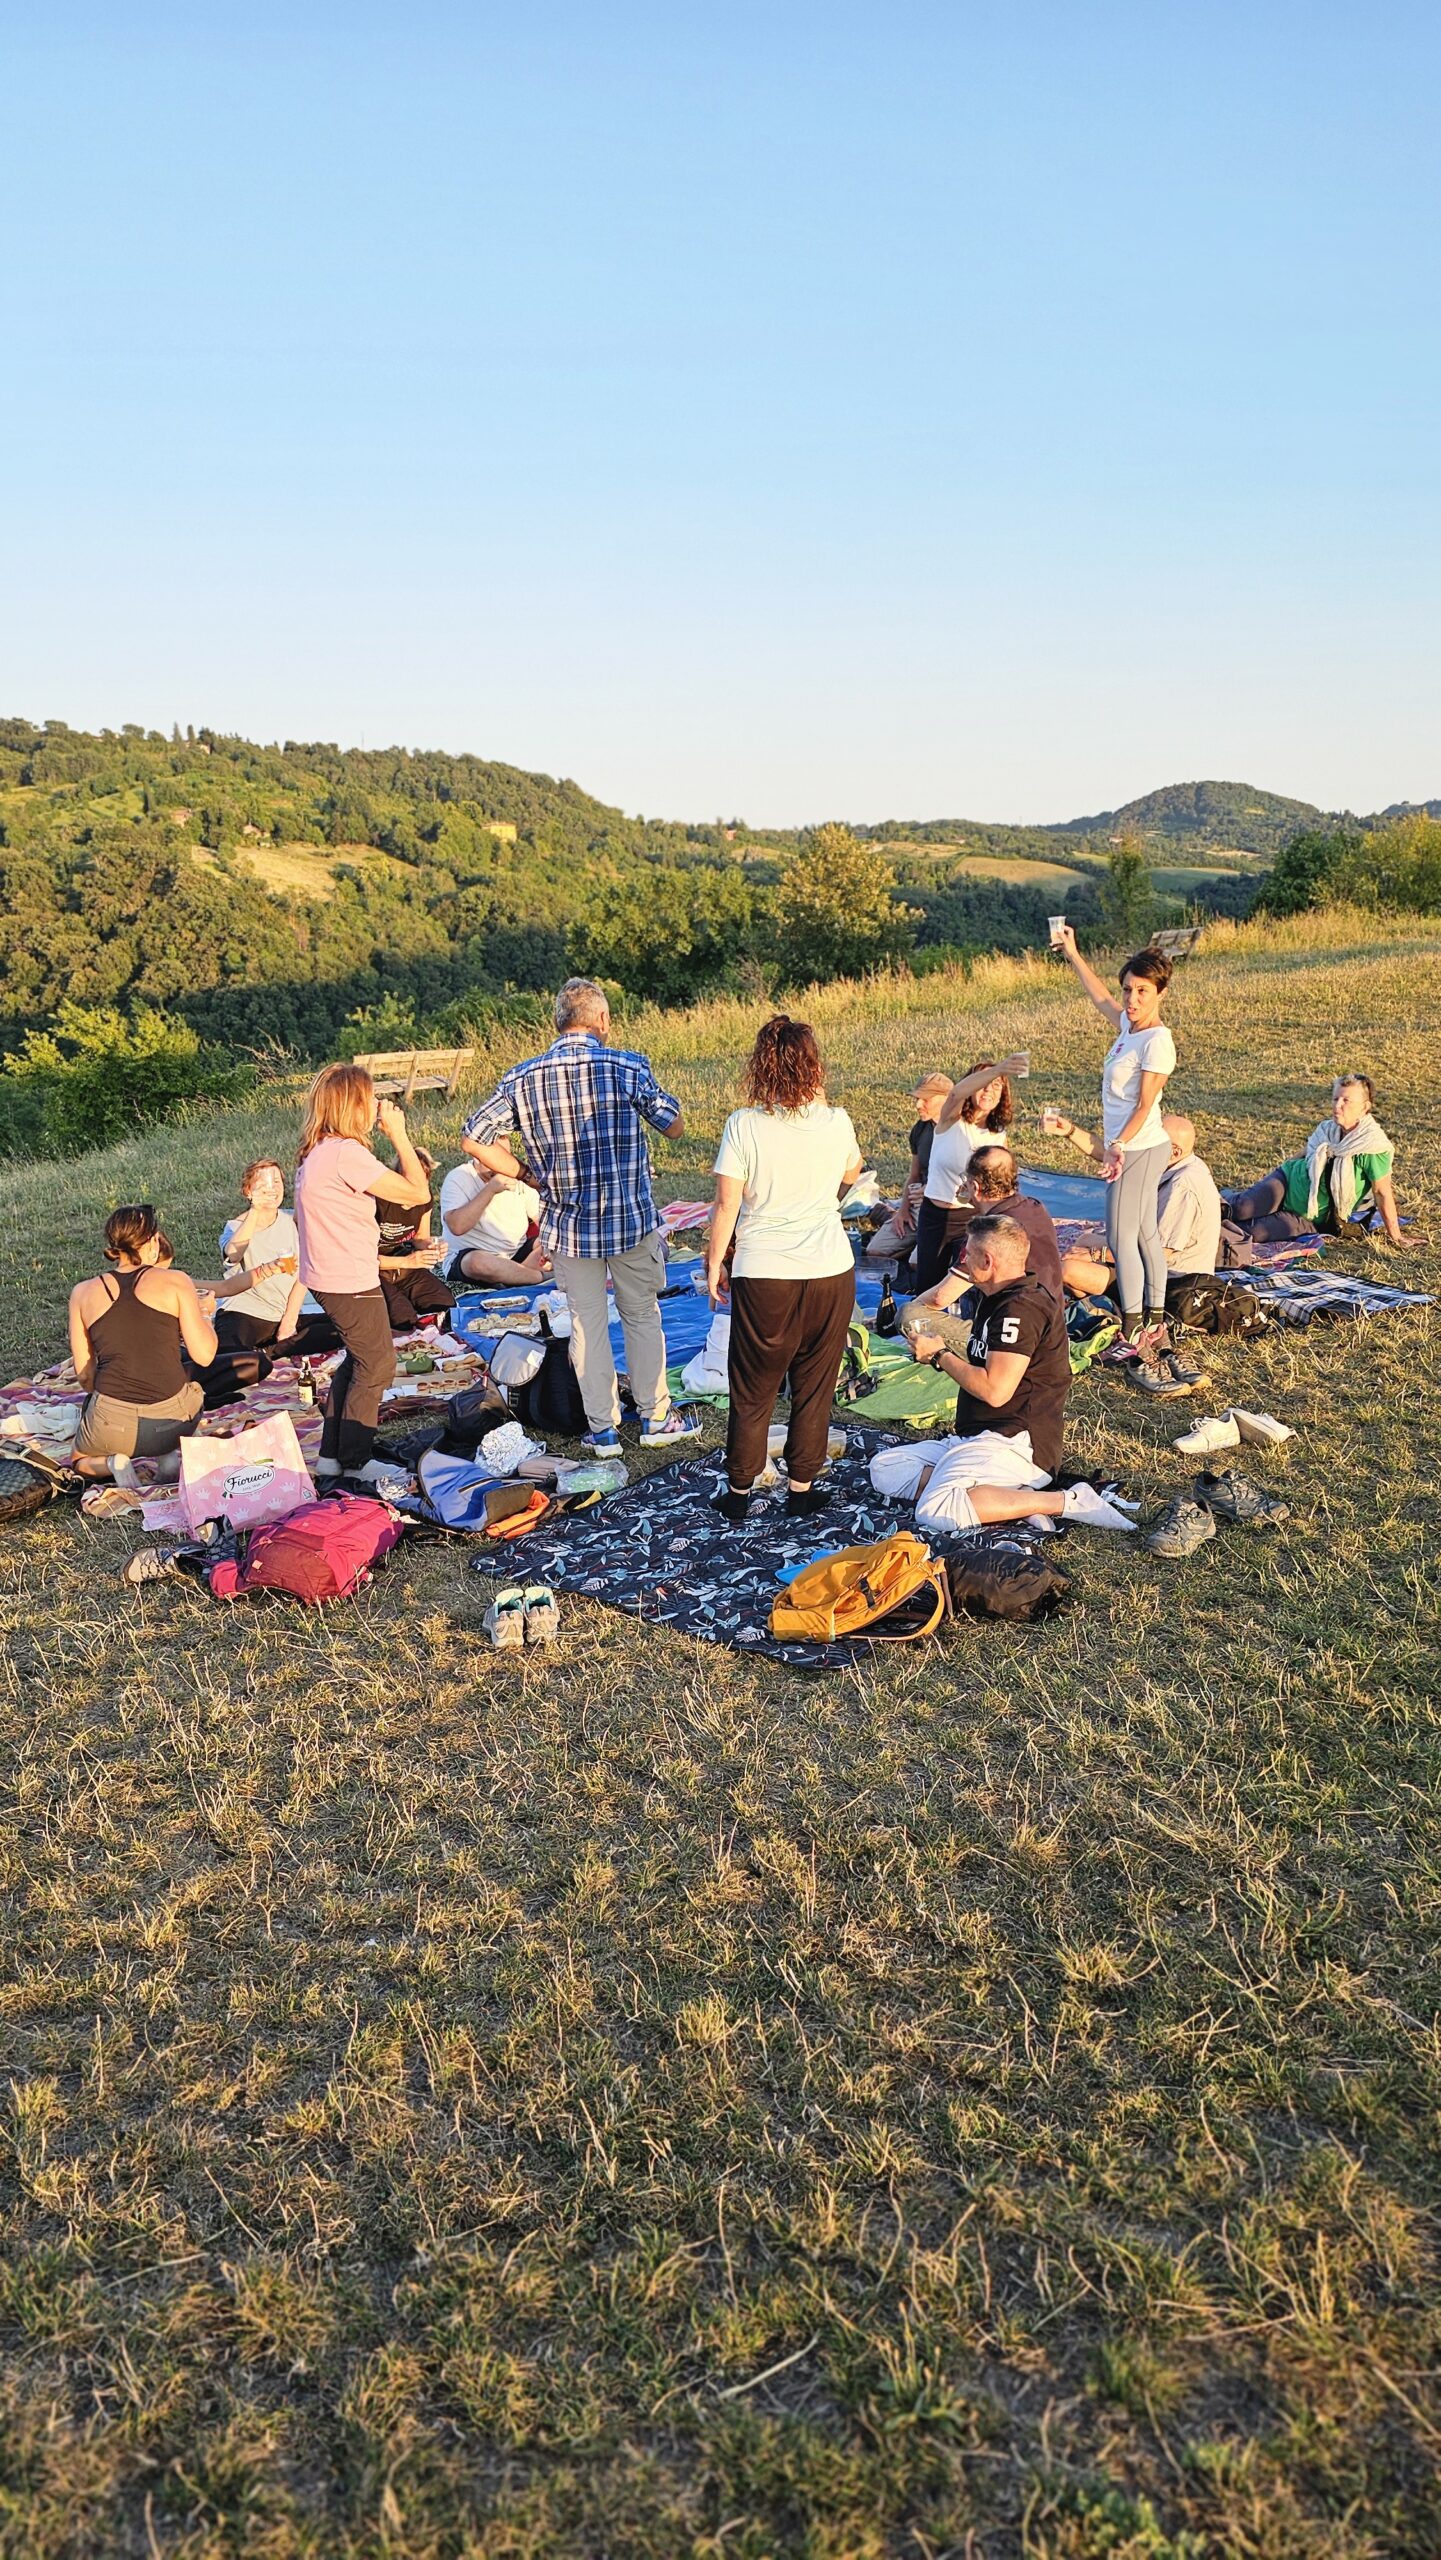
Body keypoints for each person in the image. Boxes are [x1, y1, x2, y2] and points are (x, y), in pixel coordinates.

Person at [462, 978, 699, 1454]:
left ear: (558, 1022)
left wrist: (525, 1173)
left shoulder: (522, 1078)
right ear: (602, 1020)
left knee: (586, 1325)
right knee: (641, 1316)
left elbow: (473, 1138)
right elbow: (673, 1126)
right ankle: (655, 1418)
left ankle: (602, 1429)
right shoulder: (627, 1065)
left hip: (568, 1225)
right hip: (629, 1218)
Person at [882, 1213, 1137, 1535]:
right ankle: (1007, 1497)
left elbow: (995, 1391)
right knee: (886, 1470)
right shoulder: (1000, 1296)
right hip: (976, 1435)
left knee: (935, 1510)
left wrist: (939, 1355)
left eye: (967, 1254)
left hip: (1016, 1441)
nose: (963, 1261)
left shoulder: (1019, 1310)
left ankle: (1066, 1501)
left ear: (987, 1261)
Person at [704, 1015, 864, 1524]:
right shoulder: (837, 1121)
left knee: (753, 1387)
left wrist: (714, 1261)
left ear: (761, 1067)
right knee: (815, 1385)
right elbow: (852, 1172)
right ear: (814, 1066)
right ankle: (802, 1488)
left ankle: (739, 1491)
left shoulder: (744, 1124)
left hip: (764, 1270)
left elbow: (726, 1204)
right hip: (830, 1268)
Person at [293, 1065, 434, 1482]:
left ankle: (331, 1457)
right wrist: (399, 1135)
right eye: (370, 1098)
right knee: (376, 1366)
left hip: (328, 1275)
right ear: (351, 1105)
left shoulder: (319, 1151)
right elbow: (418, 1193)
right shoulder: (345, 1154)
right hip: (348, 1277)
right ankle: (356, 1461)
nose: (377, 1105)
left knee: (358, 1360)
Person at [1053, 930, 1177, 1372]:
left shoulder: (1157, 1041)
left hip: (1138, 1148)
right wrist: (1073, 954)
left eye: (1142, 991)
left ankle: (1134, 1328)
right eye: (1128, 989)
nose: (1131, 999)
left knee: (1124, 1239)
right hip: (1135, 1146)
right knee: (1143, 1235)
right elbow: (1100, 998)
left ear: (1160, 993)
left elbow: (1145, 1104)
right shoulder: (1129, 1027)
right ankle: (1154, 1322)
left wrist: (1117, 1146)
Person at [68, 1204, 216, 1477]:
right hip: (173, 1423)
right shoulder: (177, 1281)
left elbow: (85, 1376)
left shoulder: (82, 1293)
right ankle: (167, 1454)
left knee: (79, 1461)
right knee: (190, 1391)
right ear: (152, 1241)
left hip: (112, 1426)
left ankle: (113, 1464)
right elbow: (204, 1355)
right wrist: (206, 1313)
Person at [1226, 1074, 1415, 1247]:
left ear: (1365, 1107)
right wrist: (1272, 1179)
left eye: (1346, 1100)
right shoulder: (1327, 1130)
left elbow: (1382, 1193)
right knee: (1241, 1208)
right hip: (1287, 1182)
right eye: (1335, 1099)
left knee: (1247, 1232)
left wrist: (1396, 1237)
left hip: (1308, 1218)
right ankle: (1217, 1197)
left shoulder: (1372, 1146)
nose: (1337, 1105)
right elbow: (1305, 1152)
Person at [1054, 1110, 1222, 1292]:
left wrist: (1097, 1255)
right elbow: (1109, 1155)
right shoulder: (1171, 1162)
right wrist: (1070, 1131)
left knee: (1068, 1270)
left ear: (1174, 1151)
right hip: (1142, 1260)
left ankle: (1105, 1302)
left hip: (1170, 1282)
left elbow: (1158, 1254)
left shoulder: (1183, 1187)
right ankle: (1093, 1299)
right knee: (1085, 1239)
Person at [912, 1056, 1026, 1291]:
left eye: (996, 1085)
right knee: (927, 1285)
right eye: (983, 1083)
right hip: (934, 1216)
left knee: (963, 1289)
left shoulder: (997, 1134)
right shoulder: (951, 1119)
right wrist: (999, 1070)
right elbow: (955, 1094)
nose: (988, 1090)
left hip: (971, 1218)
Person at [201, 1160, 309, 1356]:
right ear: (248, 1191)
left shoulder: (291, 1220)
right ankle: (265, 1353)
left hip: (283, 1314)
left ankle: (267, 1351)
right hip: (245, 1313)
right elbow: (233, 1253)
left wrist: (289, 1320)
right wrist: (255, 1210)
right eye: (263, 1184)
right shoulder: (235, 1227)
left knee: (341, 1330)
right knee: (230, 1359)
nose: (271, 1189)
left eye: (276, 1182)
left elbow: (304, 1273)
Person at [865, 1072, 954, 1262]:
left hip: (948, 1209)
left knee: (918, 1263)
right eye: (917, 1099)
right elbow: (914, 1175)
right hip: (919, 1205)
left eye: (925, 1100)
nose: (918, 1105)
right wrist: (903, 1210)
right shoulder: (920, 1129)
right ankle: (899, 1223)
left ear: (947, 1098)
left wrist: (931, 1190)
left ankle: (917, 1245)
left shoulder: (960, 1132)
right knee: (875, 1251)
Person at [373, 1148, 457, 1331]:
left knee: (444, 1305)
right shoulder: (378, 1202)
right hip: (373, 1269)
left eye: (422, 1180)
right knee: (402, 1317)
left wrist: (432, 1246)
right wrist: (407, 1261)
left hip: (403, 1265)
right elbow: (360, 1258)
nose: (417, 1187)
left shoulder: (424, 1200)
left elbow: (420, 1238)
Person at [438, 1158, 549, 1289]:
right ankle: (538, 1278)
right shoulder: (458, 1178)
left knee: (551, 1244)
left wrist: (547, 1247)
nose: (498, 1167)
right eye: (491, 1159)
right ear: (477, 1157)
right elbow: (457, 1227)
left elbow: (541, 1219)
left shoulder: (516, 1174)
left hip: (517, 1252)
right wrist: (490, 1190)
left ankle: (516, 1277)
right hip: (473, 1256)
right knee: (477, 1263)